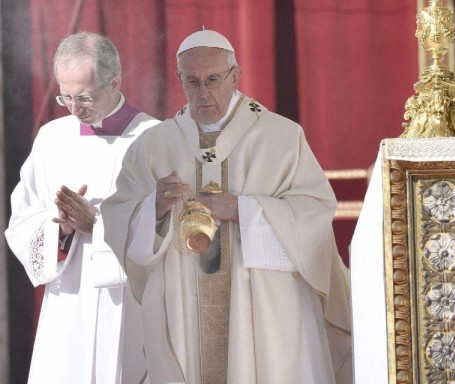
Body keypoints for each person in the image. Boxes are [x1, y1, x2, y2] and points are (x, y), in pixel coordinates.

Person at [101, 30, 353, 384]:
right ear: (179, 80)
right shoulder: (154, 145)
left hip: (263, 312)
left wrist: (241, 209)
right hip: (182, 309)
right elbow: (118, 216)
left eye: (213, 79)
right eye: (192, 82)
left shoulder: (281, 137)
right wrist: (154, 208)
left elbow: (313, 213)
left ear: (235, 76)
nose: (202, 93)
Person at [5, 31, 159, 383]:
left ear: (115, 82)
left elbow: (166, 226)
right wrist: (60, 229)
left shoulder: (154, 139)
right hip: (67, 307)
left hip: (125, 306)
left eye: (85, 97)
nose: (75, 108)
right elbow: (22, 218)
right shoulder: (52, 139)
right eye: (66, 96)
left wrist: (98, 224)